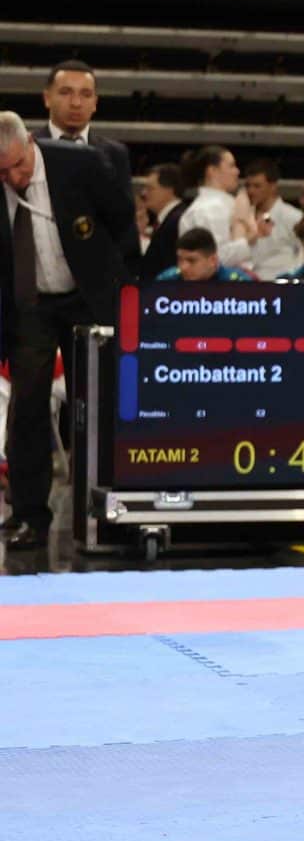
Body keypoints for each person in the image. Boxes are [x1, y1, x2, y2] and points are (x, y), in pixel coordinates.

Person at [0, 111, 138, 549]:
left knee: (98, 404)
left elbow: (122, 222)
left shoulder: (80, 163)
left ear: (31, 143)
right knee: (28, 406)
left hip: (85, 297)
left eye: (18, 165)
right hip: (30, 305)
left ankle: (113, 509)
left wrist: (117, 287)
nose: (14, 178)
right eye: (2, 172)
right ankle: (28, 515)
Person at [37, 59, 130, 199]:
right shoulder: (29, 149)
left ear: (95, 103)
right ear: (47, 98)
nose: (76, 103)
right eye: (65, 93)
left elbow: (123, 211)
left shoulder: (115, 154)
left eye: (86, 94)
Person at [179, 144, 253, 275]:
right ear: (212, 171)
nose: (237, 171)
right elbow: (218, 259)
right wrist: (249, 236)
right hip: (218, 286)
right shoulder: (208, 209)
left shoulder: (228, 204)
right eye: (231, 166)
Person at [241, 157, 303, 280]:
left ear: (273, 186)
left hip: (281, 284)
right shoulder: (242, 217)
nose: (251, 191)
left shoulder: (293, 216)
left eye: (257, 186)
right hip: (246, 282)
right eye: (248, 186)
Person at [137, 162, 190, 282]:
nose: (144, 193)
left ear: (169, 190)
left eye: (150, 188)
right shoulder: (168, 219)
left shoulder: (179, 220)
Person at [155, 226, 255, 282]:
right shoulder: (167, 280)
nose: (183, 267)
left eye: (191, 261)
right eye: (180, 260)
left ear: (213, 260)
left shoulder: (238, 284)